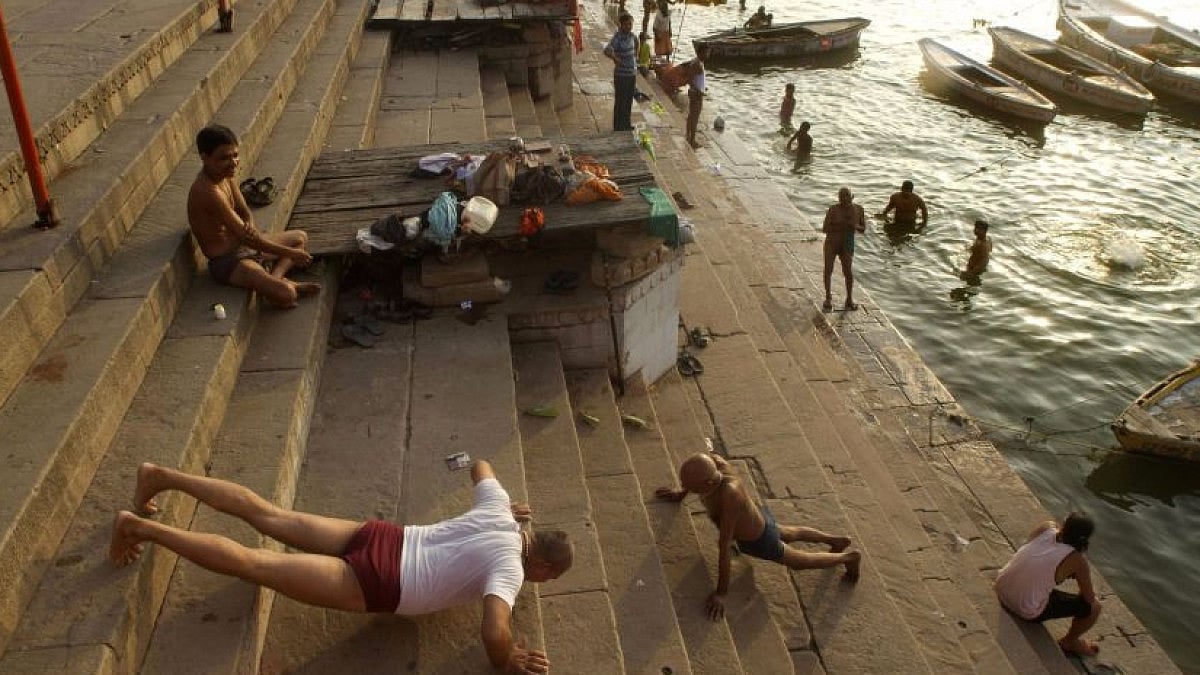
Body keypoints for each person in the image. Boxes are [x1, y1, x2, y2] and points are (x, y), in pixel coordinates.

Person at [110, 460, 572, 674]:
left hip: (381, 535)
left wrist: (508, 507)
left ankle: (161, 477)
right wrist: (506, 660)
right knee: (257, 564)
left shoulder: (500, 509)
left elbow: (480, 464)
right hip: (380, 582)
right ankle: (141, 530)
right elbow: (494, 631)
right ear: (544, 568)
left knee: (268, 514)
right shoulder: (510, 568)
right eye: (546, 579)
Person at [655, 453, 860, 620]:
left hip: (757, 540)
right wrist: (679, 493)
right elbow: (693, 477)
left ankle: (849, 558)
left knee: (799, 560)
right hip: (758, 517)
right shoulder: (713, 461)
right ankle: (836, 540)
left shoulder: (730, 497)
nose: (688, 489)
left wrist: (721, 593)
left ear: (708, 483)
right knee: (790, 533)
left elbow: (725, 547)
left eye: (692, 488)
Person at [187, 125, 319, 309]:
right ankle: (284, 286)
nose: (233, 162)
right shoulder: (208, 192)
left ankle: (276, 278)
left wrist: (249, 223)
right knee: (286, 295)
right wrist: (289, 253)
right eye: (224, 158)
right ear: (205, 158)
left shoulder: (225, 176)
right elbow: (248, 238)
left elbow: (244, 211)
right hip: (229, 261)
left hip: (246, 246)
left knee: (300, 238)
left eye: (235, 155)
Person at [994, 513, 1102, 657]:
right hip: (1024, 609)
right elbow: (1088, 599)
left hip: (1001, 586)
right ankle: (1069, 642)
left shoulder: (1046, 527)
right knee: (1095, 607)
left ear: (1064, 525)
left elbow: (1036, 555)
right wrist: (1074, 572)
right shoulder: (1077, 560)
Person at [822, 187, 866, 311]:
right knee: (828, 270)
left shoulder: (859, 210)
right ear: (838, 197)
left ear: (851, 196)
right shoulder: (833, 209)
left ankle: (849, 299)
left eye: (846, 195)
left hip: (847, 243)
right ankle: (828, 298)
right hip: (832, 243)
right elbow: (825, 229)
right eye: (841, 196)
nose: (844, 198)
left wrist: (855, 226)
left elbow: (863, 229)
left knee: (848, 272)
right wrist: (839, 225)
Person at [604, 13, 639, 132]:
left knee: (628, 100)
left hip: (631, 74)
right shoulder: (617, 37)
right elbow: (607, 50)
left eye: (630, 24)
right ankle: (618, 127)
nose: (628, 26)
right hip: (621, 75)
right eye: (626, 24)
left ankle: (626, 124)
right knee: (620, 101)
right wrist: (615, 58)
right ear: (621, 25)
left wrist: (635, 60)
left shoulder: (633, 37)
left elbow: (636, 47)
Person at [685, 56, 706, 148]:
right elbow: (689, 79)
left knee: (691, 115)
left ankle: (688, 136)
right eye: (707, 52)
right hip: (696, 94)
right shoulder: (696, 64)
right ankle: (692, 140)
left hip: (696, 92)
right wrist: (698, 91)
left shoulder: (697, 62)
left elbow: (696, 79)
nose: (708, 54)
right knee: (695, 117)